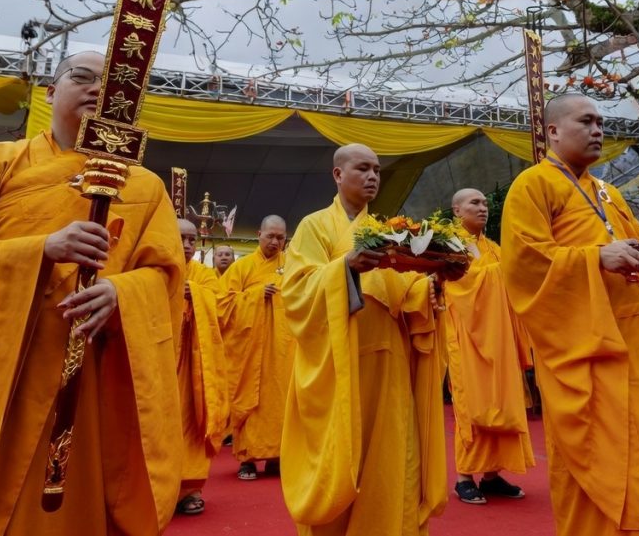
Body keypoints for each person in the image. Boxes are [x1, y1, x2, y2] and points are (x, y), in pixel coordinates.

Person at [0, 51, 186, 536]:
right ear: (49, 91)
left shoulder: (146, 187)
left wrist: (120, 293)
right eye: (82, 77)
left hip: (87, 380)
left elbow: (165, 277)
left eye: (112, 84)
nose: (98, 90)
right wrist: (40, 250)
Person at [500, 94, 639, 536]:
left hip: (638, 347)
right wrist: (594, 258)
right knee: (599, 466)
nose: (598, 130)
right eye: (586, 121)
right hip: (587, 352)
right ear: (552, 131)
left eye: (601, 122)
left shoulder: (609, 193)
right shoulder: (532, 185)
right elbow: (524, 268)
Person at [280, 143, 449, 535]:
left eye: (376, 169)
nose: (372, 176)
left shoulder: (386, 232)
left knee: (392, 458)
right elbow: (296, 292)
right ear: (338, 175)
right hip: (341, 365)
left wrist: (430, 285)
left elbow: (403, 291)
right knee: (342, 457)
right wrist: (345, 266)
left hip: (389, 365)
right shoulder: (314, 227)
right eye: (362, 168)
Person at [444, 188, 534, 505]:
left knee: (501, 401)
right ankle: (464, 477)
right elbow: (461, 287)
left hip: (499, 339)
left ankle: (492, 475)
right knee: (473, 406)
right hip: (467, 339)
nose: (483, 208)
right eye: (475, 203)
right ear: (457, 210)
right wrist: (508, 267)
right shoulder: (448, 244)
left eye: (484, 203)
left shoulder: (492, 248)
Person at [222, 215, 293, 480]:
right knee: (250, 401)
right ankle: (248, 459)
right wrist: (255, 295)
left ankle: (276, 456)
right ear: (258, 234)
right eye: (270, 236)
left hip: (283, 348)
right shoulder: (242, 267)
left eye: (280, 238)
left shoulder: (292, 265)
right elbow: (222, 303)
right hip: (250, 349)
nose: (275, 242)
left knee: (281, 401)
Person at [175, 219, 230, 515]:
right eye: (180, 238)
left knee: (192, 418)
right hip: (159, 358)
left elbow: (221, 308)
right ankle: (155, 489)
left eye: (191, 240)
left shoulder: (204, 276)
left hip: (194, 363)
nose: (186, 245)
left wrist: (195, 294)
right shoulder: (153, 268)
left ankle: (189, 488)